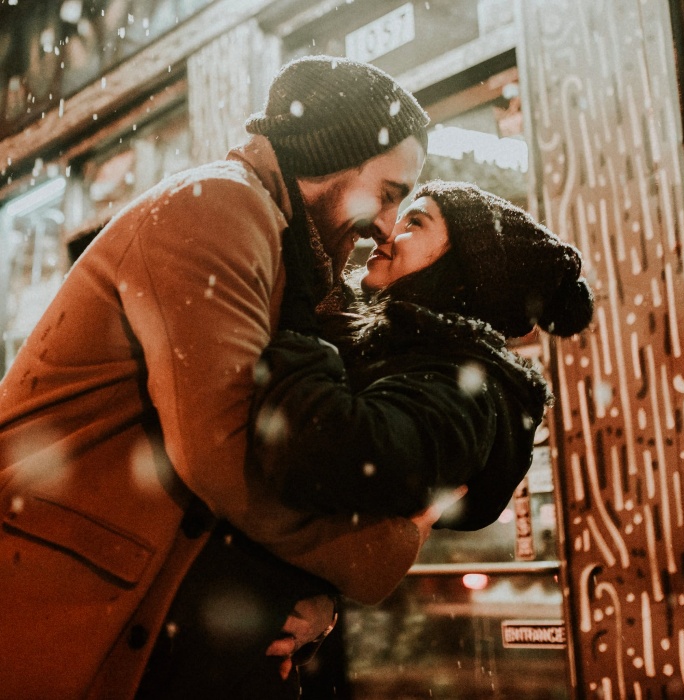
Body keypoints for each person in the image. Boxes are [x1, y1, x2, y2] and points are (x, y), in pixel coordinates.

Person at [0, 55, 433, 700]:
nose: (386, 225)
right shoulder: (218, 210)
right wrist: (374, 553)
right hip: (59, 604)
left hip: (127, 603)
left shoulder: (289, 250)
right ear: (333, 157)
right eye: (391, 193)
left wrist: (307, 591)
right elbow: (220, 450)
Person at [251, 179, 595, 532]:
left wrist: (299, 322)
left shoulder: (465, 390)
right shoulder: (393, 344)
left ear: (461, 275)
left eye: (414, 222)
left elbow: (327, 456)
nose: (384, 234)